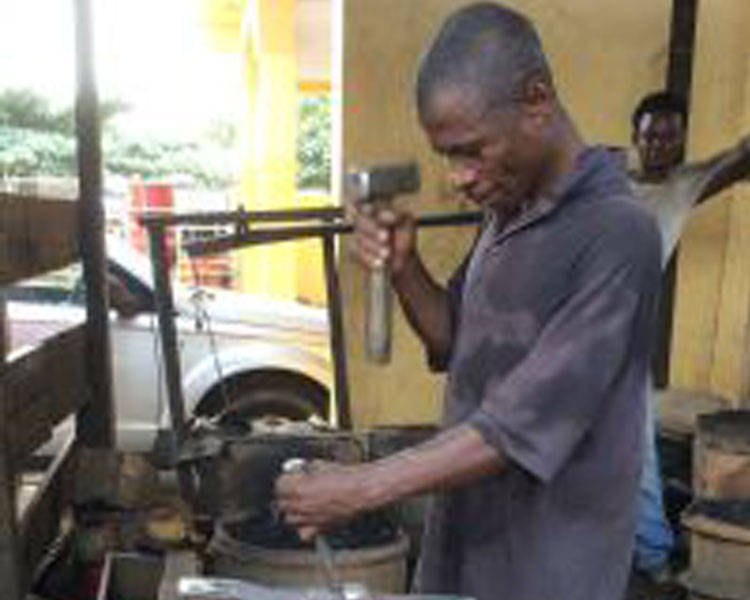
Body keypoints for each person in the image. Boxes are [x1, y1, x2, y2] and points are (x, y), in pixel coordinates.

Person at [276, 4, 662, 600]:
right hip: (467, 545)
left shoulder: (618, 234)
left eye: (470, 150)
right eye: (446, 156)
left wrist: (358, 488)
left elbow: (518, 428)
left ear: (537, 100)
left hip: (552, 568)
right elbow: (454, 339)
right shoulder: (507, 214)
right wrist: (405, 268)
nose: (458, 176)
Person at [629, 90, 750, 580]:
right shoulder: (605, 178)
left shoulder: (686, 183)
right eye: (650, 134)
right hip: (570, 327)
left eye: (669, 135)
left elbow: (741, 159)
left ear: (681, 142)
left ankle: (654, 557)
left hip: (625, 338)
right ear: (634, 136)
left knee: (636, 449)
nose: (658, 144)